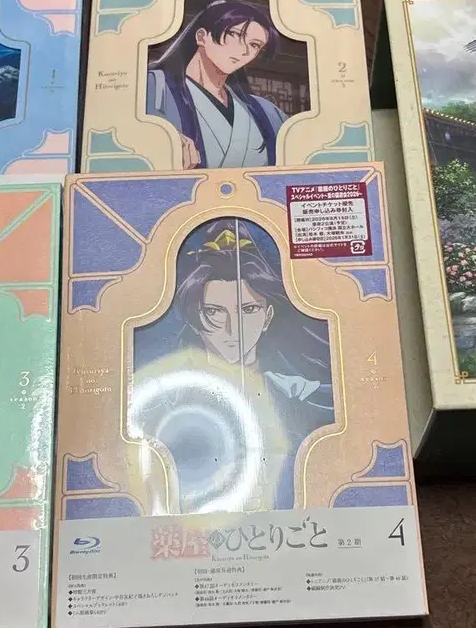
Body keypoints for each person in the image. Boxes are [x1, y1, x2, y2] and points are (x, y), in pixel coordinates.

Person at [128, 219, 333, 514]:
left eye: (248, 309)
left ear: (267, 316)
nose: (232, 328)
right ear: (194, 318)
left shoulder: (297, 391)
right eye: (214, 311)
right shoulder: (166, 396)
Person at [146, 0, 287, 169]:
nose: (244, 50)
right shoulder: (154, 87)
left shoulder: (266, 111)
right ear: (201, 37)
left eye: (254, 45)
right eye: (234, 34)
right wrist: (160, 139)